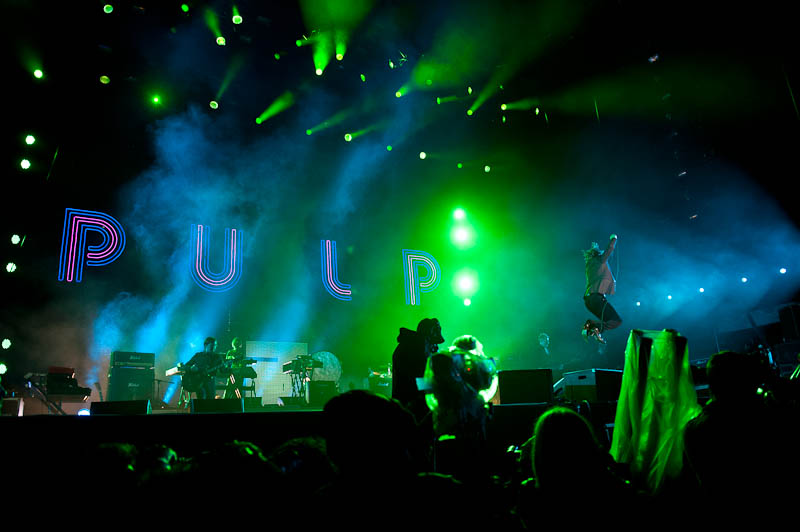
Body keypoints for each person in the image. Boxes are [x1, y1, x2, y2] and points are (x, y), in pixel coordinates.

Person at [391, 318, 445, 423]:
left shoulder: (412, 344)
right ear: (430, 332)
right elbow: (419, 378)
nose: (435, 346)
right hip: (412, 405)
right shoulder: (417, 347)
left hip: (407, 403)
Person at [582, 234, 622, 344]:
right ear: (597, 254)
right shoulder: (599, 260)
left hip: (589, 301)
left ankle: (595, 330)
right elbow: (609, 250)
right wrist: (614, 239)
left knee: (606, 321)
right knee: (616, 321)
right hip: (597, 299)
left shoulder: (589, 266)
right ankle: (591, 325)